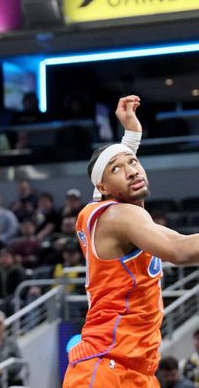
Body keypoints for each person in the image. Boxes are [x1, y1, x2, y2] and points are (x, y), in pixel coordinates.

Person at [63, 95, 199, 388]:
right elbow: (182, 250)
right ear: (102, 187)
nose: (133, 170)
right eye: (117, 168)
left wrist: (131, 138)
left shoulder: (113, 212)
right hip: (106, 366)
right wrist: (128, 147)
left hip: (138, 370)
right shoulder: (117, 216)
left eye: (134, 162)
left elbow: (120, 181)